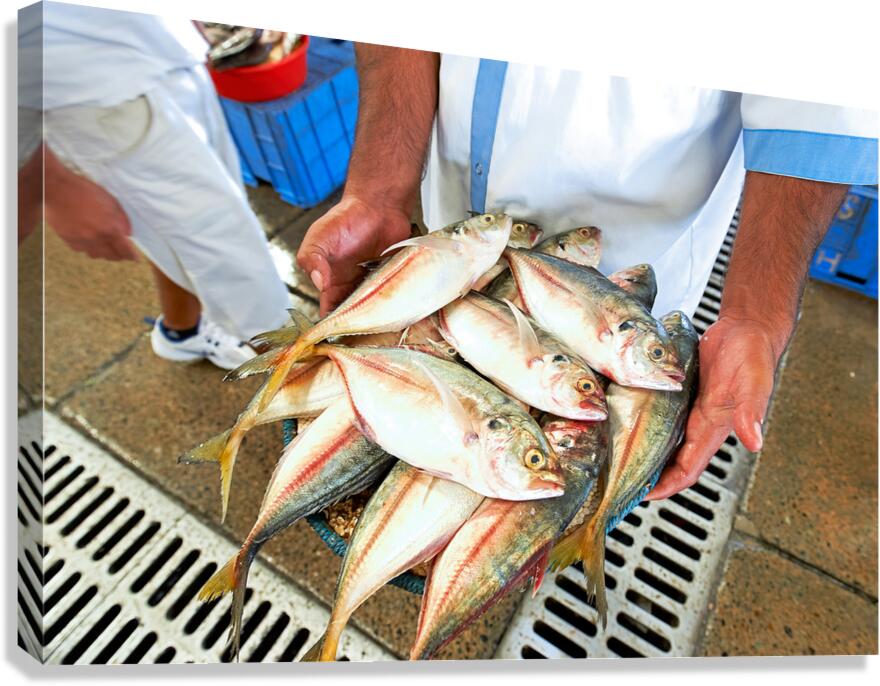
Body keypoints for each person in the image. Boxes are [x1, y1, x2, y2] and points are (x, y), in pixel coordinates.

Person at [295, 47, 877, 499]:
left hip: (627, 258)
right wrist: (378, 189)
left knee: (583, 452)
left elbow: (822, 97)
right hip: (453, 236)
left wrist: (756, 315)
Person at [18, 3, 291, 370]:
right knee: (230, 250)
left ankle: (183, 329)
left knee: (199, 220)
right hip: (87, 89)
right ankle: (300, 374)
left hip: (152, 45)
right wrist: (51, 185)